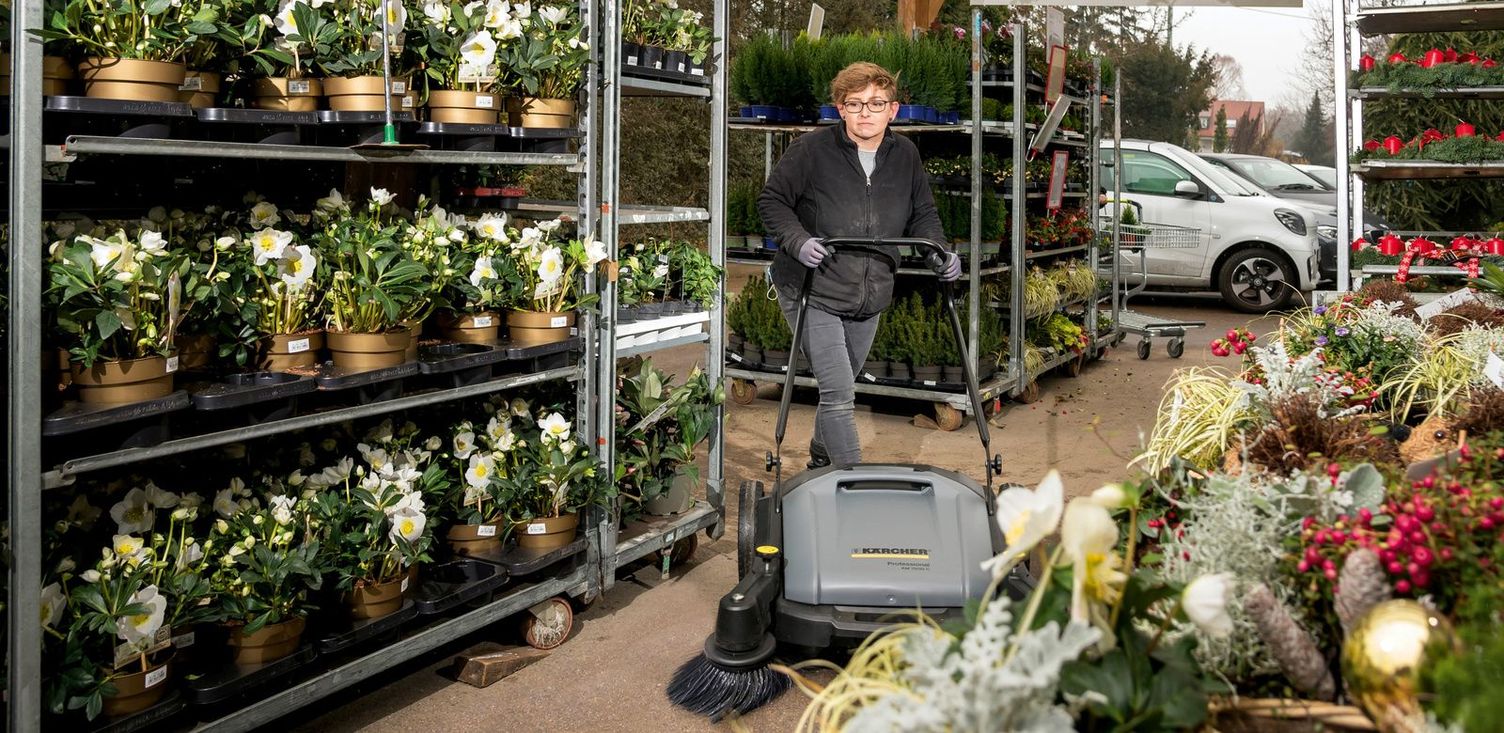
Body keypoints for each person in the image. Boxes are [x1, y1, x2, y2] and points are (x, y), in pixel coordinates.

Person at [758, 61, 961, 469]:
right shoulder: (811, 150)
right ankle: (853, 482)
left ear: (894, 109)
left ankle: (820, 457)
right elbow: (772, 201)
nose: (865, 112)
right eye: (855, 103)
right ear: (839, 108)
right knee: (838, 394)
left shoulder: (905, 155)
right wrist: (798, 242)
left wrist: (938, 251)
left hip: (870, 295)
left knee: (841, 383)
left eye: (876, 103)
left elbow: (923, 214)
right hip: (813, 288)